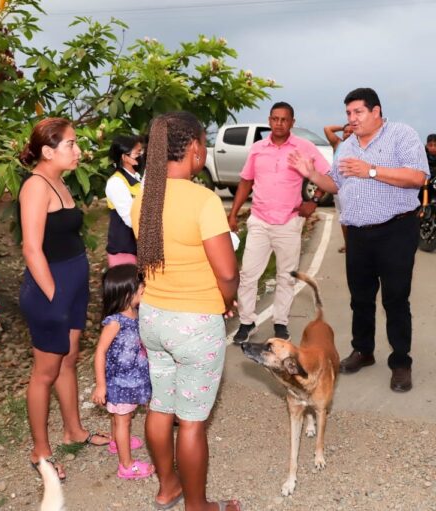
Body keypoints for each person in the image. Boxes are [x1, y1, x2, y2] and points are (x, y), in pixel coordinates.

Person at [131, 111, 241, 511]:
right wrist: (227, 301)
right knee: (192, 420)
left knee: (161, 406)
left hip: (154, 317)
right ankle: (198, 506)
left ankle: (167, 488)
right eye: (204, 143)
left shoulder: (144, 196)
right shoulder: (203, 199)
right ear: (194, 147)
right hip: (194, 324)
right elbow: (227, 271)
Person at [288, 87, 429, 392]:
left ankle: (401, 361)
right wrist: (311, 174)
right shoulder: (347, 146)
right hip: (358, 234)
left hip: (396, 229)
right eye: (348, 113)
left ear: (376, 111)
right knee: (360, 297)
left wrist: (372, 170)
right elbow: (336, 185)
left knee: (395, 298)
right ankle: (363, 351)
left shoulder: (402, 135)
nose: (351, 119)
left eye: (358, 112)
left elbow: (418, 177)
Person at [19, 117, 109, 480]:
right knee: (45, 372)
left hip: (71, 288)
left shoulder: (58, 181)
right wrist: (54, 295)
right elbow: (31, 249)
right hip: (49, 291)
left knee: (68, 360)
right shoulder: (36, 187)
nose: (78, 150)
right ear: (47, 151)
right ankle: (40, 451)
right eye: (71, 144)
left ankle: (74, 430)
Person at [229, 101, 330, 344]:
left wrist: (314, 201)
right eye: (275, 119)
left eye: (284, 119)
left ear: (292, 123)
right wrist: (233, 213)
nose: (279, 123)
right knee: (248, 274)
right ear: (269, 120)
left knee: (286, 276)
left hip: (289, 222)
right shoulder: (257, 149)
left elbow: (328, 174)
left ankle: (280, 323)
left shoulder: (305, 148)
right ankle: (246, 322)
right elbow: (245, 182)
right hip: (260, 221)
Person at [91, 264, 153, 480]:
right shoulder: (116, 321)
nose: (144, 288)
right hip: (120, 381)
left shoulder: (135, 312)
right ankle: (126, 466)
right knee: (123, 419)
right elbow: (100, 352)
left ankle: (117, 443)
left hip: (132, 377)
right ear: (126, 294)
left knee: (119, 417)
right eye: (140, 287)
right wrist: (101, 385)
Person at [106, 135, 144, 267]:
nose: (141, 155)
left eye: (141, 151)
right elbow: (130, 219)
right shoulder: (116, 183)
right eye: (137, 153)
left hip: (138, 247)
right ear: (124, 157)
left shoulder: (137, 178)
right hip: (125, 250)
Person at [323, 123, 354, 254]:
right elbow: (327, 128)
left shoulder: (359, 146)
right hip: (339, 189)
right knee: (344, 219)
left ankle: (358, 246)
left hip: (353, 188)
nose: (347, 133)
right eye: (345, 132)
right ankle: (348, 245)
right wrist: (345, 126)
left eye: (351, 132)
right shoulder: (338, 144)